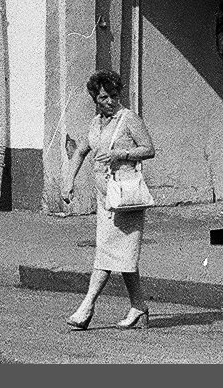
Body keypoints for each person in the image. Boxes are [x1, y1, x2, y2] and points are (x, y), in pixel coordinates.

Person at [61, 69, 156, 330]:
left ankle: (86, 307)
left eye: (114, 95)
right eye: (104, 97)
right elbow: (80, 151)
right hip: (106, 200)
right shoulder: (95, 123)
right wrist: (68, 182)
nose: (111, 101)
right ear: (95, 98)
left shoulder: (129, 119)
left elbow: (149, 149)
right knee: (123, 257)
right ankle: (139, 307)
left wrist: (121, 154)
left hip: (126, 199)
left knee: (106, 255)